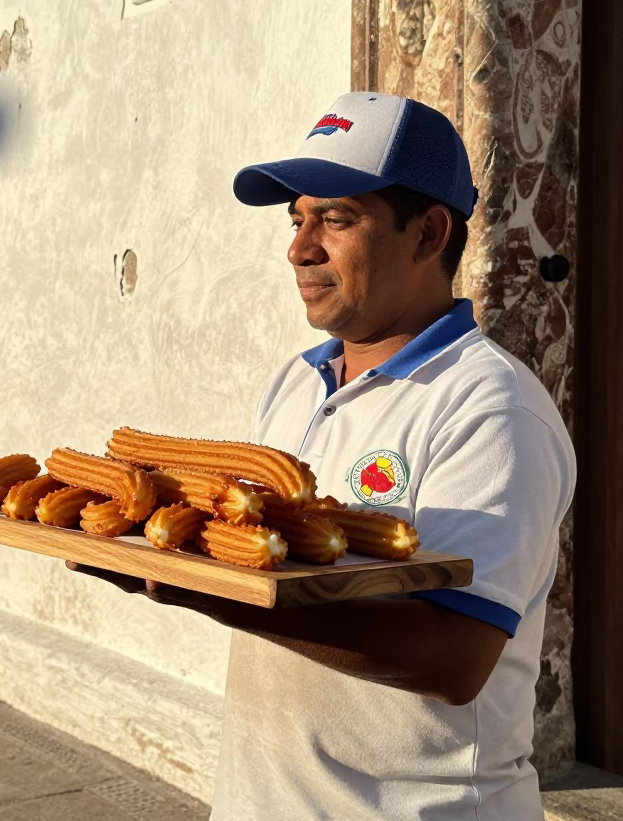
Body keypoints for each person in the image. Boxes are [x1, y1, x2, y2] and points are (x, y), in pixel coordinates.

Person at [69, 91, 576, 820]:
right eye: (298, 219)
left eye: (336, 219)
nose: (299, 247)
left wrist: (212, 590)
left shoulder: (491, 408)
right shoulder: (297, 381)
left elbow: (456, 656)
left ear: (429, 233)